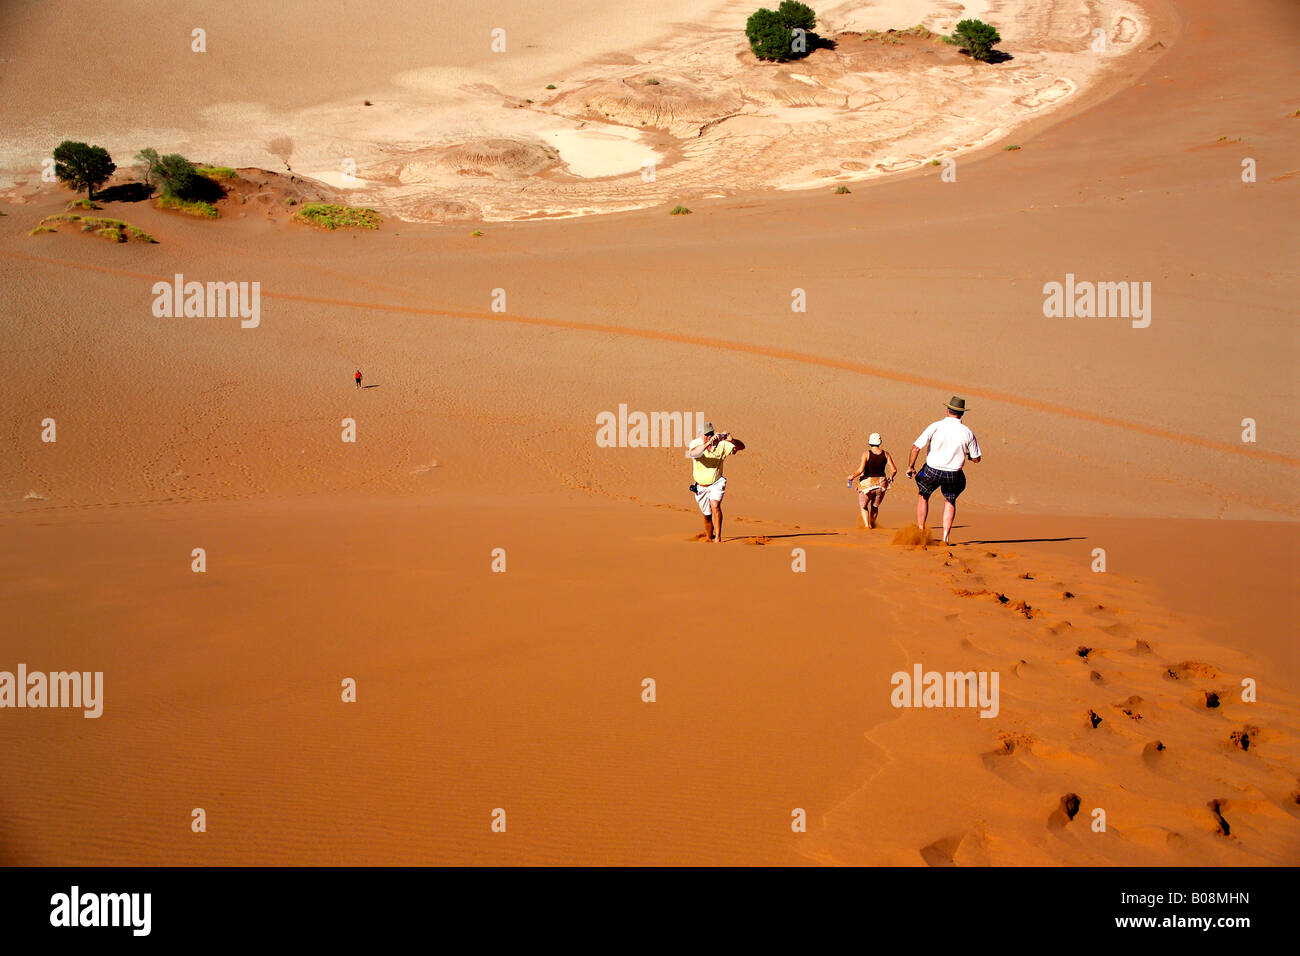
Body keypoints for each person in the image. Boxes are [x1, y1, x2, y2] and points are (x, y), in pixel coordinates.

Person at [905, 396, 981, 546]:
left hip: (931, 471)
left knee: (923, 495)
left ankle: (921, 531)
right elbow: (977, 458)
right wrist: (967, 455)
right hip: (954, 474)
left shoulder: (935, 426)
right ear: (962, 413)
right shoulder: (967, 432)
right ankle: (945, 538)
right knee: (950, 500)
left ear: (947, 410)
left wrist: (911, 467)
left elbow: (915, 448)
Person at [686, 421, 745, 543]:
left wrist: (732, 440)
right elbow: (693, 453)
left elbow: (741, 447)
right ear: (700, 434)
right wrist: (709, 442)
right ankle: (709, 537)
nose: (709, 436)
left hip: (717, 482)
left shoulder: (722, 444)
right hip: (701, 486)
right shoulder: (695, 443)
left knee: (715, 506)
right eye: (706, 434)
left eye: (711, 433)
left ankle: (718, 538)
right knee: (707, 515)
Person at [847, 432, 897, 529]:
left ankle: (867, 525)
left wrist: (852, 477)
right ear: (880, 442)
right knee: (875, 506)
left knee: (864, 506)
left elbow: (861, 470)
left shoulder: (866, 454)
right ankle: (872, 524)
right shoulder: (886, 454)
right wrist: (891, 477)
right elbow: (894, 470)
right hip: (881, 484)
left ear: (869, 443)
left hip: (867, 485)